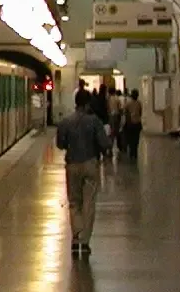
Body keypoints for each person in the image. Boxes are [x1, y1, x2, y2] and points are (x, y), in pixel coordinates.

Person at [55, 89, 111, 255]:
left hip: (72, 164)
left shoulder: (66, 121)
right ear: (88, 104)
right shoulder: (94, 121)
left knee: (74, 202)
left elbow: (60, 144)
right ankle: (85, 241)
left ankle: (76, 236)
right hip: (90, 164)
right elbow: (104, 143)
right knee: (89, 202)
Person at [123, 88, 143, 159]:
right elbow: (141, 112)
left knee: (131, 138)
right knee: (136, 139)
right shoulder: (139, 103)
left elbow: (125, 113)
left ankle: (132, 151)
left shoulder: (128, 103)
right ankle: (135, 152)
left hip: (130, 123)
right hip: (137, 123)